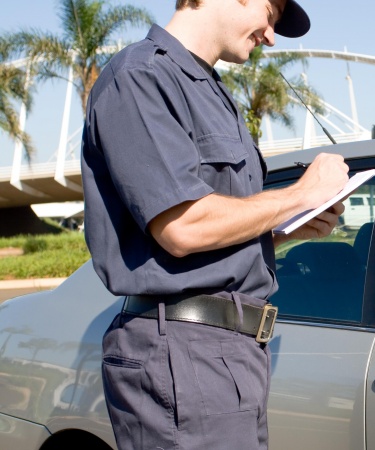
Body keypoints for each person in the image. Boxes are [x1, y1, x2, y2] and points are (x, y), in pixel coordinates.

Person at [81, 1, 349, 449]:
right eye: (270, 12)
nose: (270, 35)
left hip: (224, 354)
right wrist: (301, 194)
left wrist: (283, 227)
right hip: (185, 352)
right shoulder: (141, 76)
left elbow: (209, 224)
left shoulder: (210, 90)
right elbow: (182, 227)